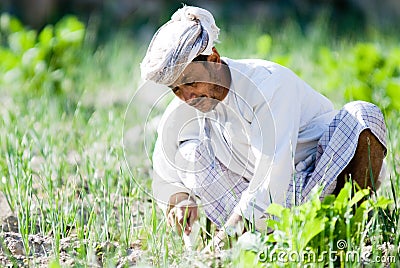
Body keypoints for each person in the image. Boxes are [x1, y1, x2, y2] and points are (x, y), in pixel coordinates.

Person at [140, 5, 387, 249]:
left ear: (214, 59)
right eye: (176, 89)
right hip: (257, 206)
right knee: (187, 153)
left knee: (363, 114)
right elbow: (164, 171)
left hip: (319, 185)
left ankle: (345, 232)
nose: (187, 96)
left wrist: (219, 244)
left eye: (191, 82)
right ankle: (251, 244)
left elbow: (271, 181)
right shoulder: (183, 109)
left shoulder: (268, 84)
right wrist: (179, 198)